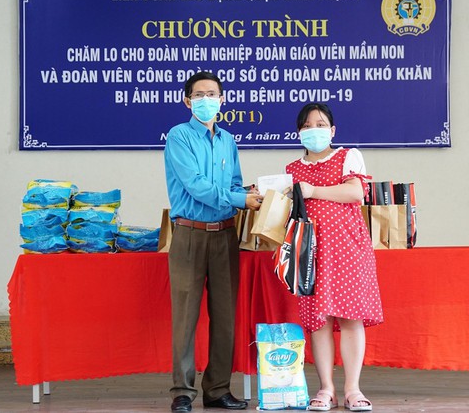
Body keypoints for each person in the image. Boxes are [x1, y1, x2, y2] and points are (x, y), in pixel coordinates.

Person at [164, 71, 262, 413]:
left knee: (225, 316)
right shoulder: (178, 136)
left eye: (212, 94)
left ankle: (218, 389)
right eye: (199, 95)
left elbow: (233, 184)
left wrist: (248, 193)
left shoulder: (228, 140)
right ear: (187, 101)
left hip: (225, 235)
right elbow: (196, 185)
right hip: (189, 235)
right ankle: (182, 392)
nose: (206, 100)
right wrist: (238, 198)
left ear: (222, 100)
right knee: (185, 317)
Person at [283, 103, 383, 412]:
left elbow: (355, 193)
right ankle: (326, 388)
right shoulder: (291, 169)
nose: (314, 130)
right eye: (307, 125)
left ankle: (353, 389)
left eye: (320, 124)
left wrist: (312, 190)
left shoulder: (347, 156)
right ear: (299, 133)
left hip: (347, 249)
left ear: (333, 130)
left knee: (351, 318)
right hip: (310, 254)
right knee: (319, 322)